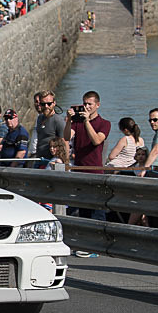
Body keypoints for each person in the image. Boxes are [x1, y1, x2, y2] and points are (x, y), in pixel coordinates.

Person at [63, 90, 111, 254]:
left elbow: (97, 140)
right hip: (79, 170)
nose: (87, 106)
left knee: (97, 212)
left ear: (97, 105)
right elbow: (66, 137)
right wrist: (69, 120)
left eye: (90, 104)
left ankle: (97, 247)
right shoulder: (78, 122)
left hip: (95, 171)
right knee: (83, 211)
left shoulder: (104, 123)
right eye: (85, 103)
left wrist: (87, 121)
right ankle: (85, 245)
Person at [34, 90, 66, 167]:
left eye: (49, 104)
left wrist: (62, 162)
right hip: (39, 159)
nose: (46, 106)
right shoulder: (39, 118)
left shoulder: (58, 121)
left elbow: (65, 144)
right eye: (43, 104)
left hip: (52, 161)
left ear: (54, 103)